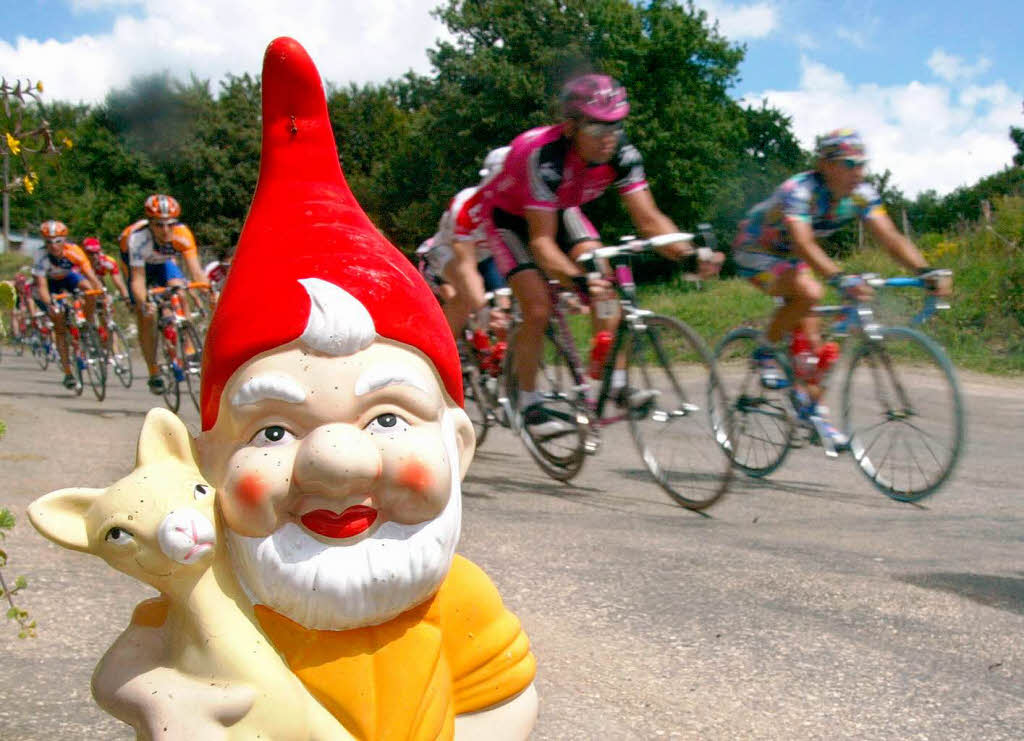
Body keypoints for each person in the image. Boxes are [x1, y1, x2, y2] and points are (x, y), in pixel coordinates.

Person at [90, 38, 538, 741]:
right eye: (272, 430)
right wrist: (160, 700)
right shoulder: (213, 591)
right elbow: (128, 668)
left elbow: (499, 698)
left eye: (388, 418)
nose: (337, 461)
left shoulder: (457, 598)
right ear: (210, 462)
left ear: (458, 443)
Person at [480, 73, 721, 433]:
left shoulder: (622, 153)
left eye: (616, 125)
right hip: (508, 220)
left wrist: (688, 255)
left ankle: (617, 382)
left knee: (604, 278)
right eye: (596, 129)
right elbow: (542, 243)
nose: (608, 137)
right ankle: (526, 399)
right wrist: (577, 281)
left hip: (561, 209)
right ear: (570, 126)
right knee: (538, 306)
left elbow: (649, 219)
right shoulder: (543, 156)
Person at [731, 128, 952, 447]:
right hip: (754, 251)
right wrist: (840, 278)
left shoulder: (861, 194)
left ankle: (810, 412)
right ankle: (765, 350)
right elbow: (805, 243)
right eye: (849, 164)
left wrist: (925, 271)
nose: (858, 172)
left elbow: (890, 238)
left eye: (862, 164)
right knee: (810, 293)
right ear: (825, 164)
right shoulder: (800, 190)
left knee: (817, 347)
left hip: (791, 258)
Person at [119, 194, 205, 394]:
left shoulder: (182, 233)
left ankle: (190, 348)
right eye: (159, 225)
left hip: (163, 263)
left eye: (170, 224)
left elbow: (197, 272)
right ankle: (153, 371)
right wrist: (144, 301)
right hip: (139, 268)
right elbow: (137, 280)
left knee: (180, 290)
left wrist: (209, 293)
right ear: (150, 224)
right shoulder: (137, 239)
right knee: (146, 315)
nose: (165, 230)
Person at [428, 146, 511, 336]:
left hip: (487, 255)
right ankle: (445, 347)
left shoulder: (518, 203)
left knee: (503, 308)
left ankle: (505, 353)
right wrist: (482, 307)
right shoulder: (466, 204)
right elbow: (466, 266)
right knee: (467, 296)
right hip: (449, 251)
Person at [30, 220, 103, 389]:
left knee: (88, 289)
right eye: (49, 242)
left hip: (68, 278)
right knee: (60, 325)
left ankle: (87, 322)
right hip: (50, 284)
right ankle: (68, 372)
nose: (53, 245)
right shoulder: (40, 256)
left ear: (65, 240)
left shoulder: (74, 251)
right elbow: (41, 286)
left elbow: (89, 274)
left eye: (58, 241)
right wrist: (50, 305)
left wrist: (99, 291)